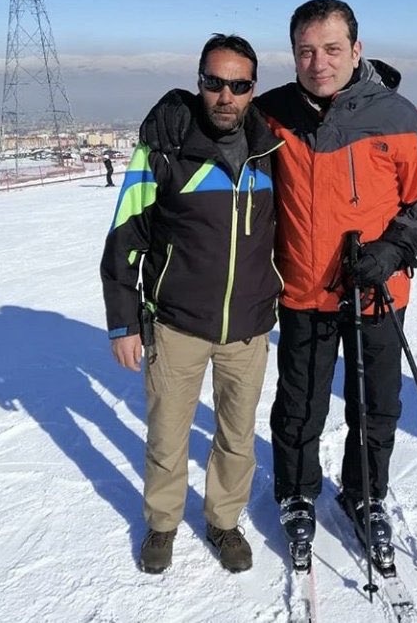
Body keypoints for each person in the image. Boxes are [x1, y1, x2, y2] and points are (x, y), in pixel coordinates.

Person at [254, 0, 417, 565]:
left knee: (375, 405)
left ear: (356, 49)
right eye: (306, 51)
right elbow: (217, 131)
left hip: (376, 291)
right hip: (302, 291)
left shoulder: (397, 117)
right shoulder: (271, 114)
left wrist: (394, 248)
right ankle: (297, 492)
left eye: (331, 49)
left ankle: (364, 493)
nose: (318, 62)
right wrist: (177, 113)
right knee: (300, 404)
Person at [100, 34, 283, 575]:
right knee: (167, 434)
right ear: (199, 82)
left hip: (248, 326)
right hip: (176, 325)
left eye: (239, 85)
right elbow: (125, 236)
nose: (226, 96)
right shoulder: (164, 149)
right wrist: (123, 323)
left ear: (253, 89)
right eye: (214, 82)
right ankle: (162, 522)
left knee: (237, 437)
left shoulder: (272, 152)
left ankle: (223, 520)